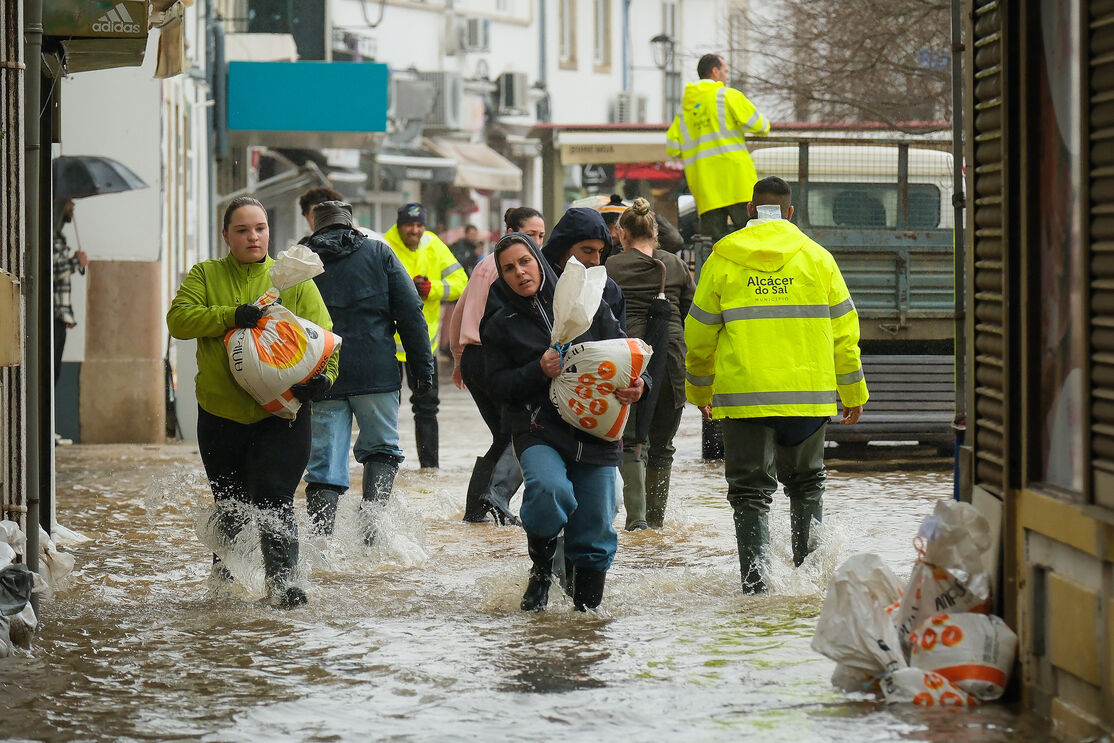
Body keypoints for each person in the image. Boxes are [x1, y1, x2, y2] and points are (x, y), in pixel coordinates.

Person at [684, 177, 869, 594]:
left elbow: (698, 336)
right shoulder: (819, 259)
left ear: (749, 210)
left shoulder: (723, 259)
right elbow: (845, 334)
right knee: (807, 485)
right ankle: (810, 585)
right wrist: (854, 393)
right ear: (790, 212)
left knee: (750, 494)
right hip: (808, 400)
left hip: (744, 400)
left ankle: (756, 588)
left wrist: (699, 392)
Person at [166, 196, 338, 609]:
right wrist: (231, 315)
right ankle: (225, 588)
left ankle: (284, 588)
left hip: (283, 414)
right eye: (242, 230)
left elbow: (327, 338)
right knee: (231, 505)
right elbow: (179, 320)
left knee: (276, 497)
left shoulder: (294, 278)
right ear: (226, 235)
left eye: (259, 228)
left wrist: (323, 380)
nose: (253, 236)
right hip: (221, 415)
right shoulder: (206, 274)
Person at [481, 233, 646, 612]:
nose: (520, 272)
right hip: (539, 429)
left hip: (597, 431)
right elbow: (498, 386)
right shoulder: (499, 323)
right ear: (502, 277)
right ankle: (542, 570)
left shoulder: (584, 300)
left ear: (538, 260)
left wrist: (641, 386)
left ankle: (586, 620)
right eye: (509, 268)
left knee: (597, 525)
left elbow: (626, 351)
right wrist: (537, 370)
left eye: (525, 262)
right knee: (550, 491)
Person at [300, 201, 434, 541]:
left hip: (321, 375)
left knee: (325, 465)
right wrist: (422, 369)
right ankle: (372, 537)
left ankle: (321, 547)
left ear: (316, 226)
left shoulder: (301, 259)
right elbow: (411, 312)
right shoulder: (379, 253)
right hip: (377, 373)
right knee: (381, 449)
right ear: (352, 225)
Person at [449, 206, 545, 524]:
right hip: (490, 357)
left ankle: (479, 511)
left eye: (541, 236)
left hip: (475, 357)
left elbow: (460, 311)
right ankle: (486, 504)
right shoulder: (504, 268)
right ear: (510, 234)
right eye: (530, 234)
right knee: (511, 434)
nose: (537, 242)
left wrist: (459, 358)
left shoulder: (487, 265)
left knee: (503, 435)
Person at [605, 198, 696, 530]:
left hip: (627, 359)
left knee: (630, 442)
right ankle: (656, 525)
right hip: (672, 358)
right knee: (663, 446)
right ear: (655, 232)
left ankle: (636, 521)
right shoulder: (674, 265)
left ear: (621, 233)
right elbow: (691, 314)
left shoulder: (610, 268)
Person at [382, 203, 468, 469]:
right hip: (387, 346)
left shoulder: (434, 244)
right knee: (386, 411)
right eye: (410, 225)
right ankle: (386, 467)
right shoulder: (383, 245)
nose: (415, 230)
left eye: (420, 225)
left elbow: (461, 284)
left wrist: (432, 288)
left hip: (423, 345)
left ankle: (430, 470)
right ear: (399, 224)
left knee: (427, 409)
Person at [666, 53, 770, 244]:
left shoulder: (684, 110)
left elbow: (672, 148)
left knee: (717, 248)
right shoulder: (727, 96)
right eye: (726, 71)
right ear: (715, 72)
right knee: (752, 239)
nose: (727, 76)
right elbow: (762, 126)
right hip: (737, 182)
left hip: (706, 190)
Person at [540, 207, 626, 331]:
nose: (595, 261)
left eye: (601, 252)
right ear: (563, 249)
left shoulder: (609, 291)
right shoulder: (539, 286)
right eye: (587, 251)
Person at [52, 197, 87, 388]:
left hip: (59, 317)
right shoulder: (52, 237)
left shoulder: (58, 237)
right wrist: (76, 262)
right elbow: (53, 271)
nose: (72, 207)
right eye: (69, 202)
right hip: (54, 317)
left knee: (55, 371)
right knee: (52, 371)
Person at [299, 186, 383, 242]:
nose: (322, 221)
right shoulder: (304, 251)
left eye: (328, 215)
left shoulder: (369, 241)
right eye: (315, 216)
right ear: (306, 217)